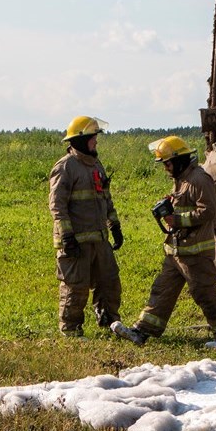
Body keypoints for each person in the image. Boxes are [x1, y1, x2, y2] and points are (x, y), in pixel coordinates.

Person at [110, 136, 216, 349]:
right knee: (162, 289)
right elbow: (186, 202)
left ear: (178, 160)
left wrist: (177, 219)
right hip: (177, 250)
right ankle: (142, 331)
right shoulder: (182, 179)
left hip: (195, 252)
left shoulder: (199, 179)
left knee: (203, 291)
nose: (165, 168)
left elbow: (208, 211)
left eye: (167, 163)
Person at [49, 116, 124, 337]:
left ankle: (110, 323)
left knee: (109, 282)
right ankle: (71, 330)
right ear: (81, 140)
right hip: (76, 241)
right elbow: (57, 206)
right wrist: (67, 237)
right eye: (93, 138)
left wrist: (115, 225)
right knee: (76, 287)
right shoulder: (65, 167)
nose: (96, 142)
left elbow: (106, 198)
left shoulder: (96, 164)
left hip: (99, 240)